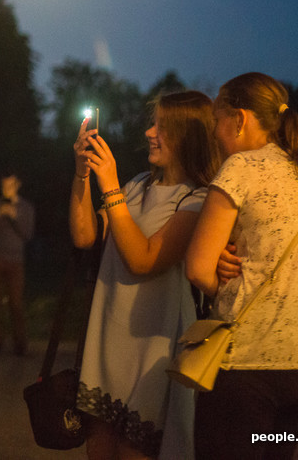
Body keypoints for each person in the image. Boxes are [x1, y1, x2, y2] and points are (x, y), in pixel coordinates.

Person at [186, 72, 298, 460]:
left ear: (239, 119)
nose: (215, 134)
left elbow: (197, 268)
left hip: (250, 364)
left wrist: (224, 281)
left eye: (217, 121)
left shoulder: (242, 167)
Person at [69, 91, 221, 459]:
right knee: (99, 448)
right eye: (153, 124)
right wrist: (82, 174)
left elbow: (143, 260)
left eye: (162, 127)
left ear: (188, 137)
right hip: (108, 342)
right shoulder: (137, 185)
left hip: (153, 352)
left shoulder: (197, 199)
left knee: (132, 451)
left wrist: (110, 186)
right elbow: (86, 236)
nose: (150, 133)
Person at [0, 173, 34, 355]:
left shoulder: (26, 208)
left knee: (16, 303)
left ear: (17, 185)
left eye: (10, 186)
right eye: (4, 186)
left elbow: (27, 234)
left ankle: (20, 343)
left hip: (16, 260)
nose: (6, 189)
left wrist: (14, 218)